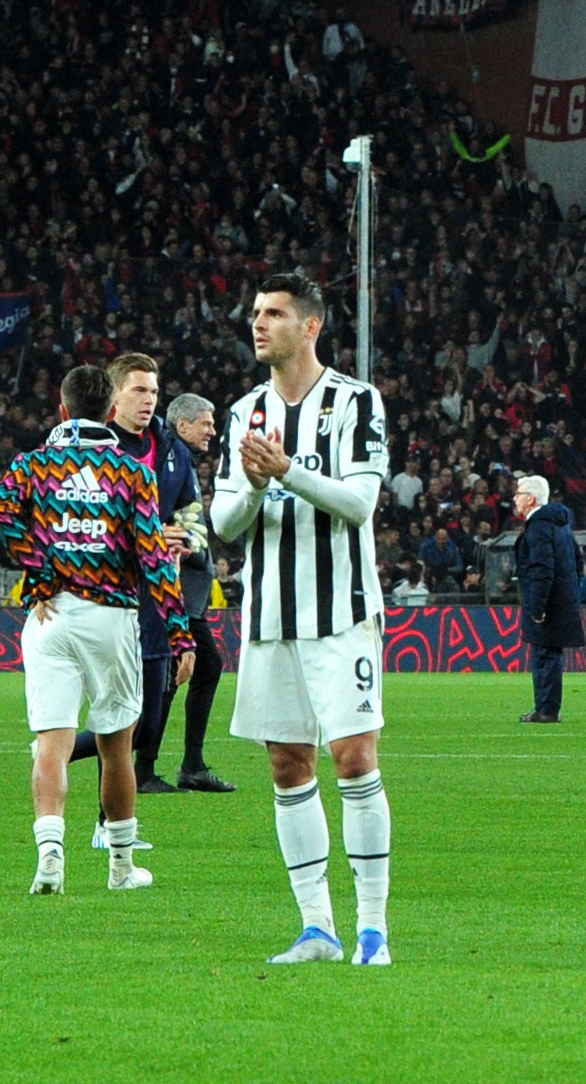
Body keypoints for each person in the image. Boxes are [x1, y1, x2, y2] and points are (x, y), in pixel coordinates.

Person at [210, 271, 396, 963]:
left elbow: (358, 505)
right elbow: (227, 523)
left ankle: (372, 928)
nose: (258, 324)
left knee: (353, 757)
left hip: (341, 610)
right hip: (270, 616)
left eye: (275, 314)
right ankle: (317, 927)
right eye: (255, 312)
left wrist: (285, 471)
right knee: (288, 765)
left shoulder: (355, 402)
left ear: (311, 325)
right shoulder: (243, 411)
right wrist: (256, 484)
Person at [0, 360, 185, 895]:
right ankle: (120, 868)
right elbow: (155, 561)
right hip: (110, 618)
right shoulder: (131, 472)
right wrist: (180, 633)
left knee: (52, 742)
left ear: (62, 409)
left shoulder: (35, 465)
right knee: (118, 746)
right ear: (113, 410)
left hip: (50, 616)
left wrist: (41, 570)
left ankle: (50, 857)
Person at [64, 353, 201, 810]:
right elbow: (81, 522)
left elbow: (193, 513)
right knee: (122, 716)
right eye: (140, 391)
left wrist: (187, 542)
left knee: (147, 722)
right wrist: (146, 534)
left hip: (160, 599)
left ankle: (59, 749)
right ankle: (108, 826)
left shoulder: (170, 447)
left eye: (155, 392)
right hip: (111, 597)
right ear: (114, 394)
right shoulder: (95, 450)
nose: (149, 401)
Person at [161, 394, 234, 791]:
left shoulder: (180, 459)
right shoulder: (168, 457)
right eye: (205, 423)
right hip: (174, 590)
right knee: (189, 668)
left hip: (188, 589)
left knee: (189, 669)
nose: (212, 430)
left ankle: (174, 764)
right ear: (183, 424)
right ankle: (156, 764)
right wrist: (178, 546)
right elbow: (163, 515)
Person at [512, 474, 585, 723]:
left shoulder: (539, 528)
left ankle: (547, 710)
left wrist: (538, 606)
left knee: (545, 655)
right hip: (562, 600)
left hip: (548, 603)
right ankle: (545, 707)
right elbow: (578, 560)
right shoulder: (560, 525)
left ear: (530, 499)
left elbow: (542, 569)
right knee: (548, 654)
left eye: (519, 493)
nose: (515, 498)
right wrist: (570, 592)